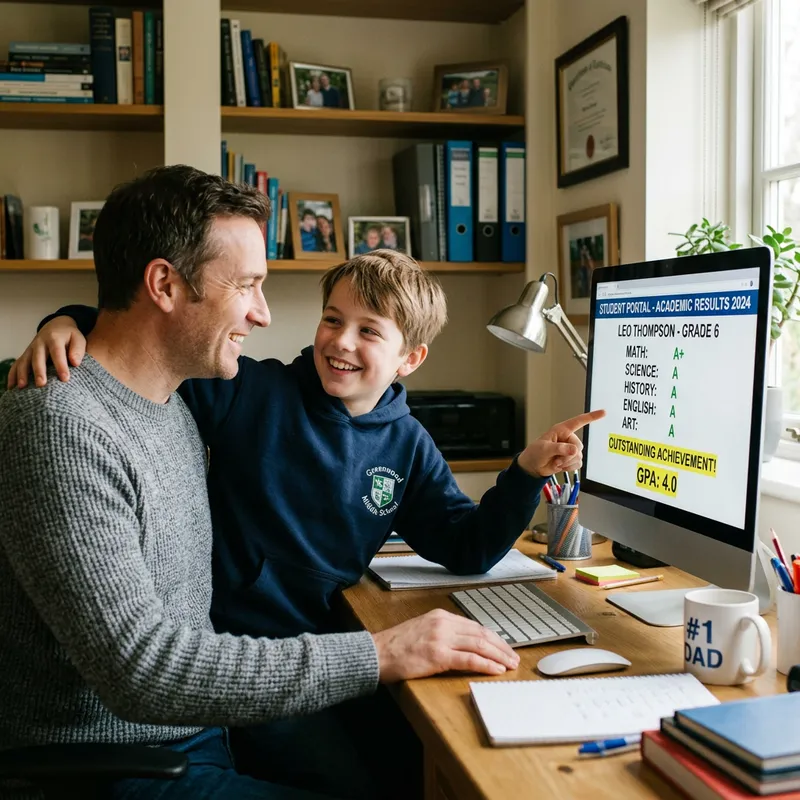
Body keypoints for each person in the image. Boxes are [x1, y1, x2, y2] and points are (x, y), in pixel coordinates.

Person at [0, 169, 527, 799]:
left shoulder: (167, 401)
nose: (264, 312)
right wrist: (382, 653)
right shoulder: (63, 424)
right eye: (247, 284)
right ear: (165, 283)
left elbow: (120, 335)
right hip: (125, 763)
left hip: (198, 726)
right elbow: (140, 670)